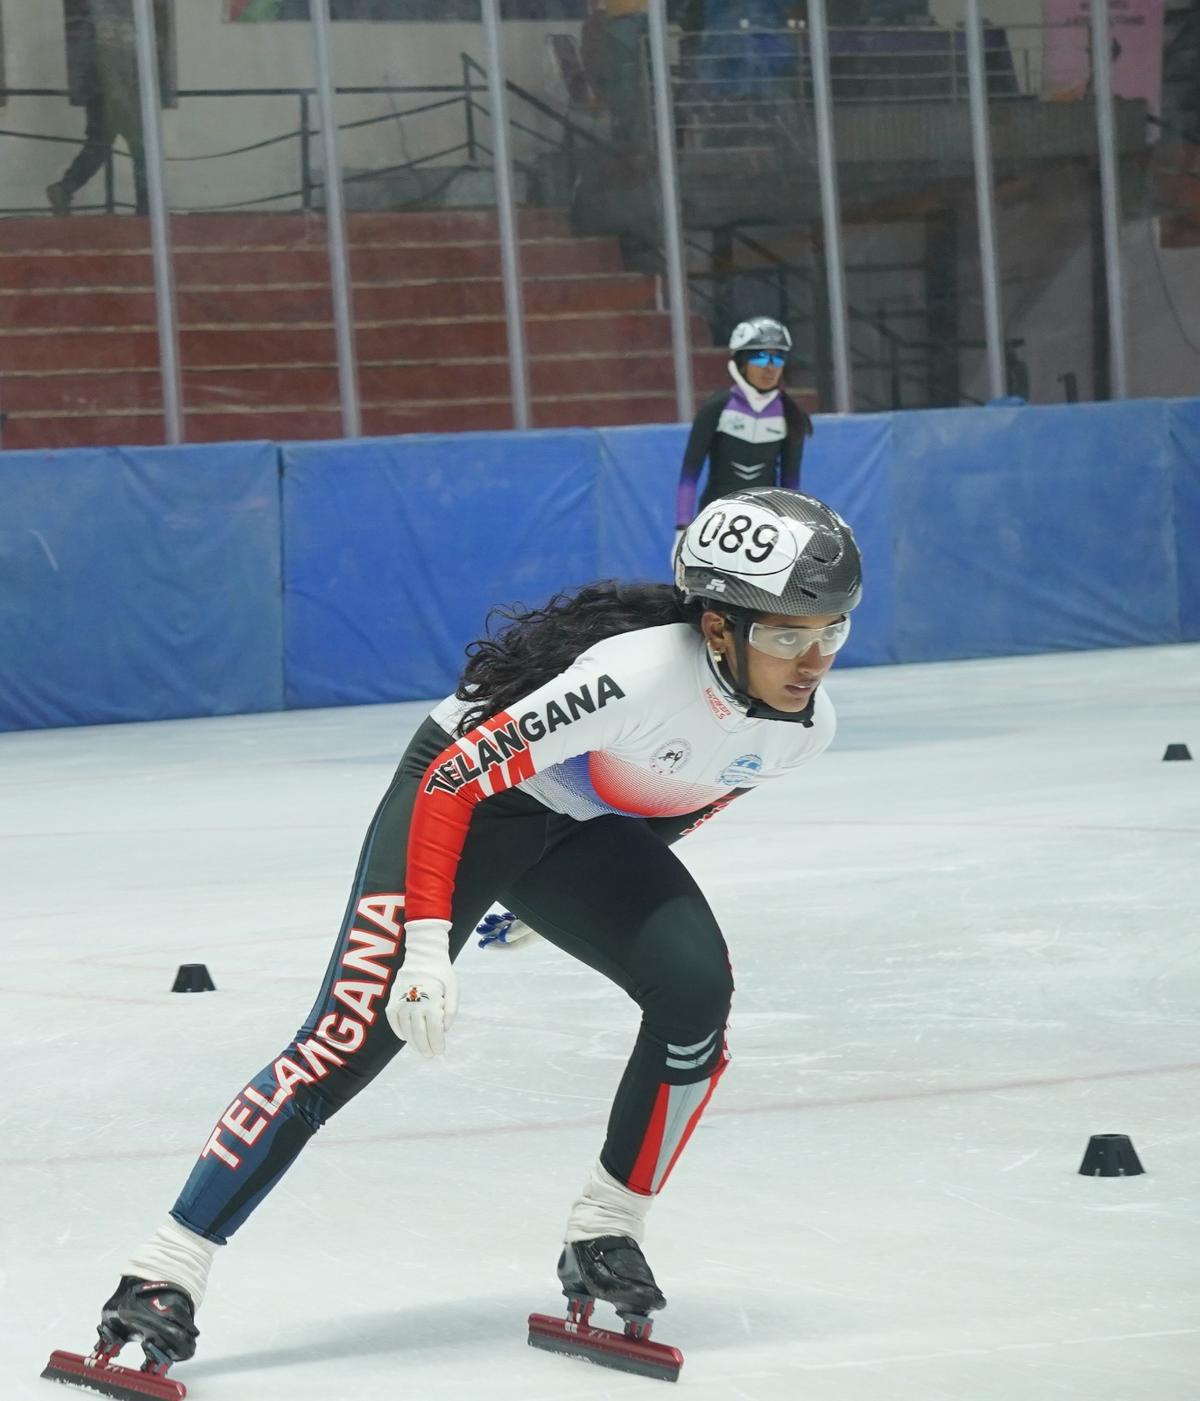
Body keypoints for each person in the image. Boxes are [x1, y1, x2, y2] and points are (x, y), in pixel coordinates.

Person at [80, 486, 862, 1378]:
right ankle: (165, 1266)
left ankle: (607, 1228)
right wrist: (422, 948)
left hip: (579, 823)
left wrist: (570, 893)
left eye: (832, 629)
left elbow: (686, 793)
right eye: (789, 634)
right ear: (719, 627)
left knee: (696, 996)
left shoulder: (807, 731)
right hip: (465, 797)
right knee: (351, 1034)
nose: (814, 660)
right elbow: (458, 777)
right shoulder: (638, 675)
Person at [675, 317, 813, 557]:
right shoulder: (717, 408)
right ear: (740, 361)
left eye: (778, 358)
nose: (770, 367)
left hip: (765, 528)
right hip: (715, 523)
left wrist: (794, 528)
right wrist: (682, 528)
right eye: (760, 357)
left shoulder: (791, 415)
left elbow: (791, 485)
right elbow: (689, 474)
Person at [45, 0, 167, 217]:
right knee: (140, 149)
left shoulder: (104, 15)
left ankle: (65, 188)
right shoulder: (116, 17)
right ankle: (147, 208)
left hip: (106, 92)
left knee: (100, 146)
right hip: (115, 92)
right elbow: (113, 59)